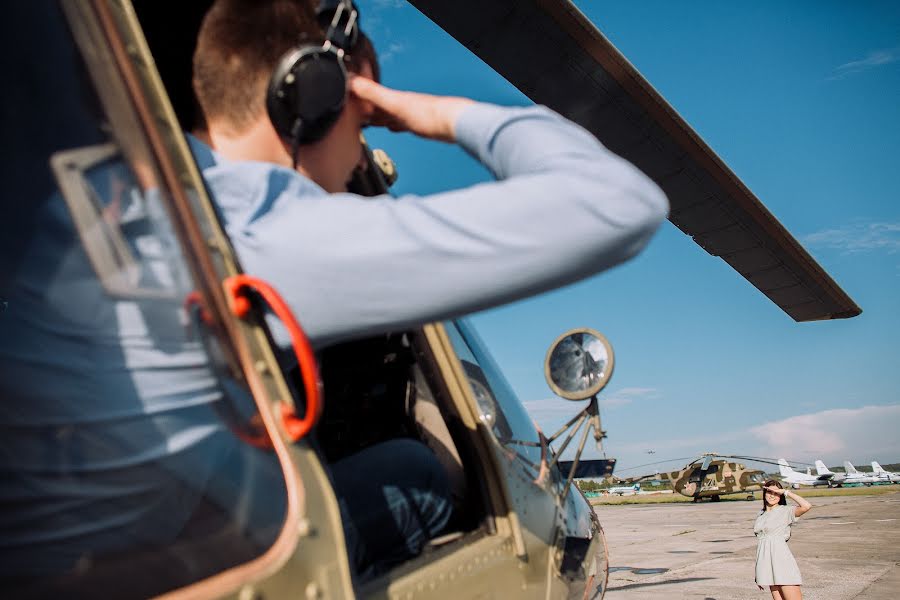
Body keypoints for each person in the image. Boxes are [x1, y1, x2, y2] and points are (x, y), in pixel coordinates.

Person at [188, 0, 667, 578]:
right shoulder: (274, 237)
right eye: (363, 118)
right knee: (419, 471)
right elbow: (620, 202)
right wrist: (435, 113)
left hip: (152, 532)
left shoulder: (135, 206)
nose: (357, 159)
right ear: (311, 96)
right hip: (204, 553)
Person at [754, 480, 812, 599]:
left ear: (780, 496)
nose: (772, 495)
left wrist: (786, 492)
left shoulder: (785, 511)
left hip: (782, 562)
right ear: (764, 494)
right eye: (769, 492)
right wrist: (759, 572)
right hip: (767, 565)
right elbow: (762, 544)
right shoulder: (760, 514)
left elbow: (807, 506)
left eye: (776, 493)